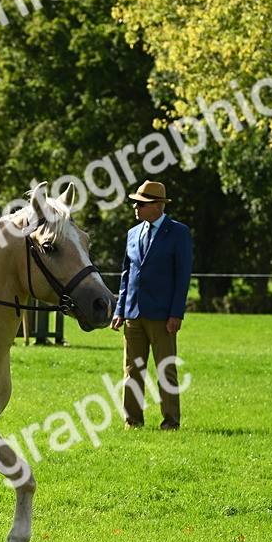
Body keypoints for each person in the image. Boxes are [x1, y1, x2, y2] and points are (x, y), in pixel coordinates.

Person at [110, 180, 193, 430]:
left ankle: (170, 422)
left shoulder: (179, 233)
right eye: (136, 202)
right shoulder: (133, 233)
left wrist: (176, 313)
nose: (136, 206)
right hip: (133, 314)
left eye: (142, 203)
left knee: (165, 370)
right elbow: (127, 274)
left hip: (163, 316)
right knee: (131, 371)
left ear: (157, 206)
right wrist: (120, 309)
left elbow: (182, 277)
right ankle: (132, 421)